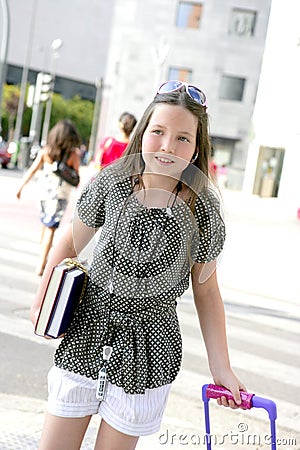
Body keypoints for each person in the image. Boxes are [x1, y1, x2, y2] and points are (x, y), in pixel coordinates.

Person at [31, 81, 246, 450]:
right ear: (142, 132)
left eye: (182, 138)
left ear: (197, 148)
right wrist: (43, 301)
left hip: (149, 349)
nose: (167, 146)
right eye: (158, 132)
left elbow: (207, 290)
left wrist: (221, 366)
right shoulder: (112, 182)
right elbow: (69, 241)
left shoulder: (204, 210)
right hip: (86, 331)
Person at [16, 119, 81, 276]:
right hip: (59, 197)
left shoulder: (46, 151)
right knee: (51, 228)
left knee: (46, 225)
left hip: (44, 194)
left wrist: (20, 187)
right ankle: (41, 264)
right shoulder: (73, 155)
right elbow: (76, 179)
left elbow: (32, 170)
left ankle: (42, 258)